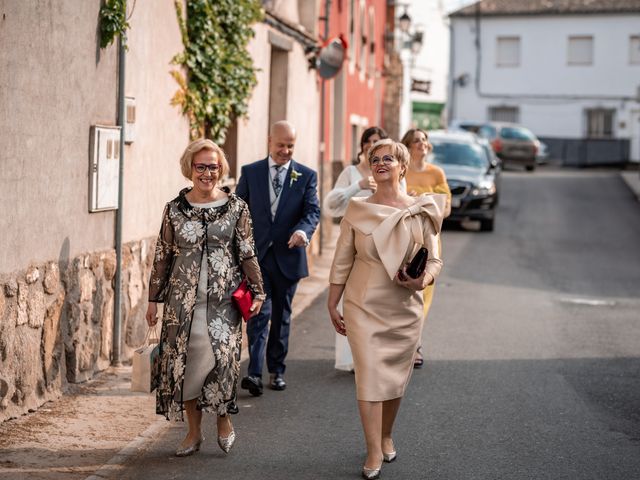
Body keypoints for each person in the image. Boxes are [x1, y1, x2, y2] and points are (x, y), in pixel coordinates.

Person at [327, 139, 446, 479]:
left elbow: (435, 259)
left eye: (388, 158)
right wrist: (331, 302)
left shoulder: (421, 210)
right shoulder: (357, 209)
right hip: (363, 306)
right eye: (374, 158)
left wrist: (422, 282)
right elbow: (341, 261)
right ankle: (373, 450)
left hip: (405, 308)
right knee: (368, 376)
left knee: (395, 380)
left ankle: (386, 434)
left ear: (402, 167)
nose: (380, 163)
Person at [146, 138, 265, 457]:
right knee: (185, 366)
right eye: (201, 166)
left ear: (221, 168)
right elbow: (163, 254)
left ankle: (223, 418)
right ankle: (193, 433)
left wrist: (258, 289)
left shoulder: (237, 207)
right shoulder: (174, 209)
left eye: (213, 166)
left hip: (224, 300)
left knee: (223, 360)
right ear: (190, 169)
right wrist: (152, 299)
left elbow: (247, 251)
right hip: (181, 303)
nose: (207, 173)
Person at [236, 120, 321, 395]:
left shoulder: (306, 175)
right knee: (258, 313)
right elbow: (240, 210)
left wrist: (302, 231)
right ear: (269, 141)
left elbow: (312, 212)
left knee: (282, 316)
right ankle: (255, 374)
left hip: (288, 257)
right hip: (257, 258)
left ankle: (277, 370)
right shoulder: (250, 172)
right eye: (281, 145)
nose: (286, 150)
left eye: (291, 146)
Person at [323, 127, 400, 372]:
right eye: (369, 142)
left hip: (385, 248)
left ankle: (379, 353)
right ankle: (354, 355)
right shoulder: (351, 173)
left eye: (379, 142)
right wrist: (358, 186)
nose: (373, 146)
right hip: (354, 246)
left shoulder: (393, 172)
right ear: (363, 145)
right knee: (354, 300)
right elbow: (331, 207)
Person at [400, 128, 451, 369]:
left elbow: (447, 209)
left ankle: (416, 344)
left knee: (424, 295)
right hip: (405, 241)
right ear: (408, 147)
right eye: (416, 141)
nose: (422, 144)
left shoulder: (437, 173)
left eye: (424, 140)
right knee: (403, 293)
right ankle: (403, 344)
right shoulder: (401, 172)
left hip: (429, 242)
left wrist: (422, 199)